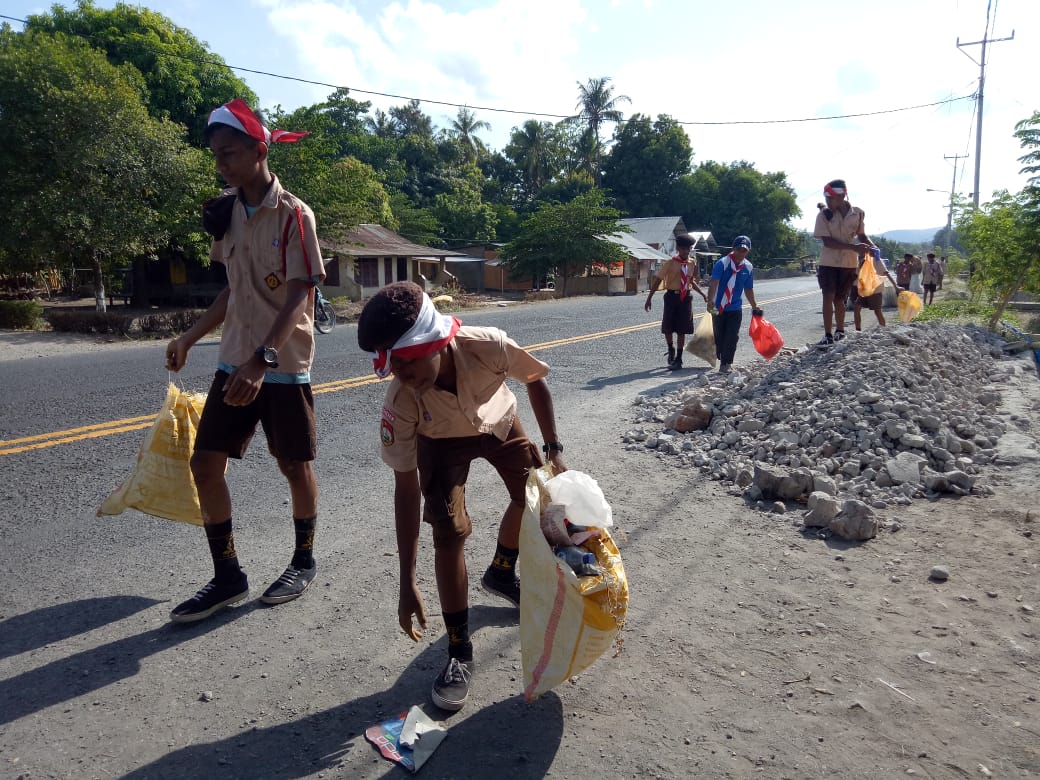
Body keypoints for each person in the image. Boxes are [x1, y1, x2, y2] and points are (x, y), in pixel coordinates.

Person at [357, 281, 567, 712]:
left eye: (412, 365)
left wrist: (553, 448)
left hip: (499, 422)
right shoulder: (402, 400)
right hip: (440, 442)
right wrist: (406, 582)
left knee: (534, 497)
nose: (405, 377)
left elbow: (535, 380)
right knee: (448, 534)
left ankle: (501, 572)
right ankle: (458, 652)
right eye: (395, 368)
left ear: (437, 342)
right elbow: (405, 489)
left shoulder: (488, 346)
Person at [164, 99, 324, 623]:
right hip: (234, 359)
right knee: (205, 465)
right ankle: (228, 574)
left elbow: (300, 291)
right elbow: (232, 292)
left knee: (293, 465)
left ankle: (303, 560)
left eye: (230, 153)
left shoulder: (296, 215)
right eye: (216, 155)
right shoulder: (225, 214)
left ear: (260, 151)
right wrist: (189, 336)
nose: (221, 164)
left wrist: (265, 358)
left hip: (282, 363)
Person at [813, 181, 876, 346]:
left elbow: (862, 235)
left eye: (830, 198)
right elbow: (827, 242)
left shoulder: (858, 214)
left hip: (848, 263)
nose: (827, 202)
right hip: (829, 262)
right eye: (826, 199)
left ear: (841, 196)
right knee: (828, 295)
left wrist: (872, 246)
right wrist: (853, 247)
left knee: (840, 298)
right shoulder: (824, 215)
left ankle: (840, 331)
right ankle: (827, 335)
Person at [644, 233, 708, 370]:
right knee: (668, 326)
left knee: (682, 329)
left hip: (685, 298)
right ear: (678, 248)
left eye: (688, 249)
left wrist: (703, 294)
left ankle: (679, 358)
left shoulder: (692, 263)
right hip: (671, 297)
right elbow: (658, 281)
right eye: (683, 248)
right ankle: (670, 348)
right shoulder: (670, 263)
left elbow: (691, 281)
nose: (686, 251)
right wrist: (649, 298)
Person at [706, 235, 760, 374]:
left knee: (732, 335)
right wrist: (710, 300)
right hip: (717, 307)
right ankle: (720, 353)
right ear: (733, 248)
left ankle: (726, 363)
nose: (741, 253)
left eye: (744, 250)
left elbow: (748, 288)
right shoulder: (722, 264)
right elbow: (714, 283)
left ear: (748, 251)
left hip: (735, 307)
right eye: (739, 249)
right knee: (719, 334)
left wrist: (754, 305)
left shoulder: (747, 267)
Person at [852, 250, 901, 330]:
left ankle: (884, 329)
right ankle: (858, 329)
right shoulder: (861, 261)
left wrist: (896, 286)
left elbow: (886, 273)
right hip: (864, 290)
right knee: (857, 307)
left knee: (877, 311)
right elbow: (856, 275)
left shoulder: (877, 261)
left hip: (875, 291)